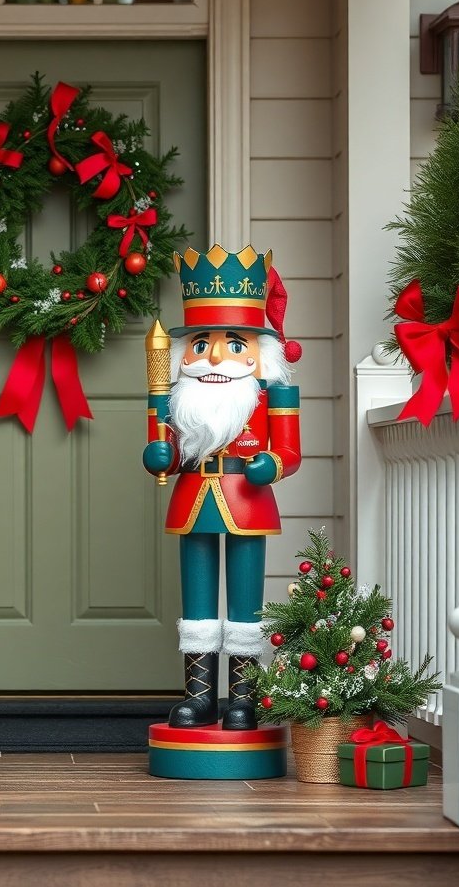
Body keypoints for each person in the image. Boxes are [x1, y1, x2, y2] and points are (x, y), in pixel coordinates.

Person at [144, 245, 301, 731]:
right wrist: (157, 454)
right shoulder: (174, 397)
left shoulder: (273, 394)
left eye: (235, 344)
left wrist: (270, 464)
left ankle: (243, 697)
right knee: (196, 603)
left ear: (260, 353)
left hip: (247, 500)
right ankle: (199, 695)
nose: (214, 355)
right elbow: (158, 445)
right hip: (192, 495)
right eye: (201, 343)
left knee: (245, 603)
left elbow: (291, 452)